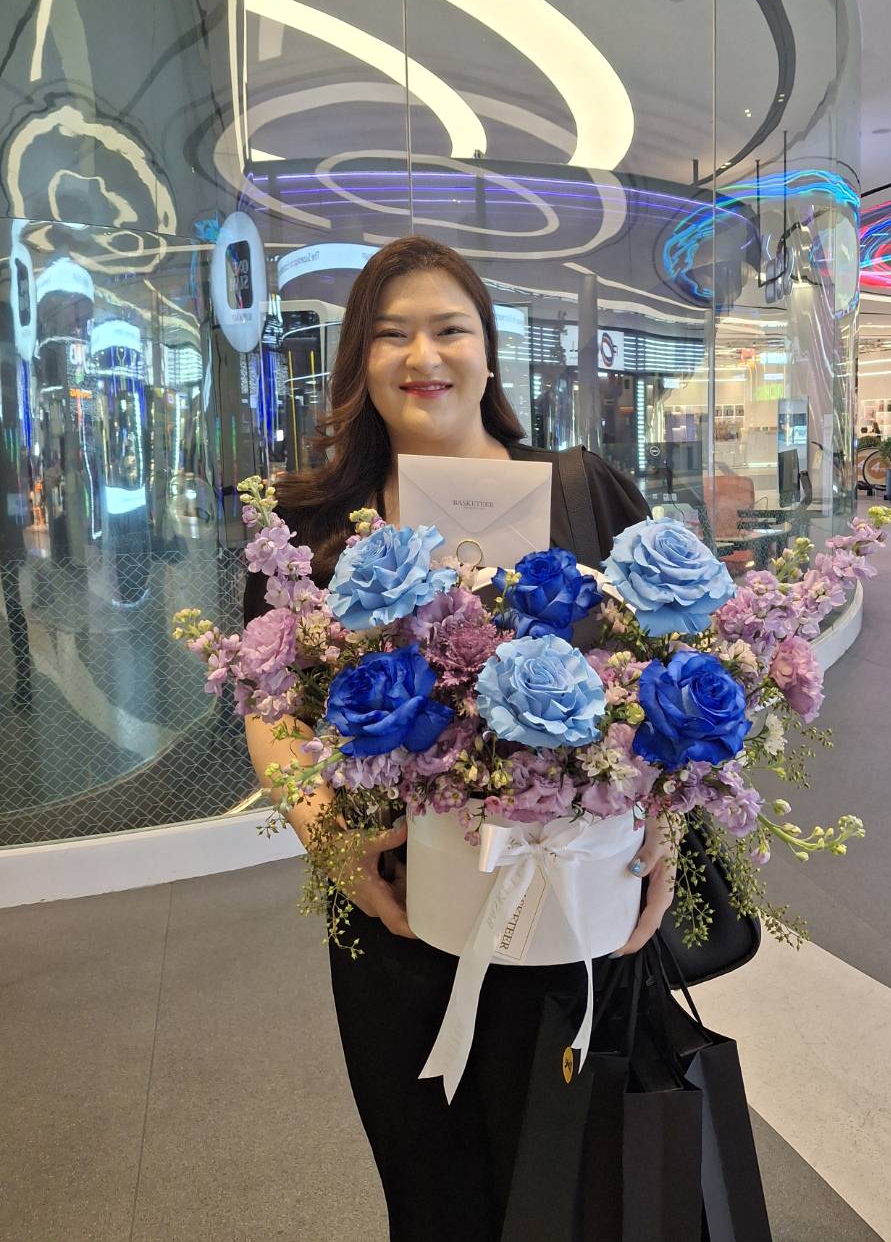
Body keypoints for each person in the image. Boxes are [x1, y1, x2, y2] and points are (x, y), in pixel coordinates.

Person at [243, 236, 674, 1241]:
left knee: (577, 1183)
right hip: (397, 912)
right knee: (436, 1195)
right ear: (359, 363)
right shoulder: (312, 528)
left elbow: (669, 681)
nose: (420, 354)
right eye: (388, 334)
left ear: (489, 354)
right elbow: (270, 709)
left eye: (448, 328)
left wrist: (668, 828)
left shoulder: (581, 489)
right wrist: (327, 832)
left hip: (571, 906)